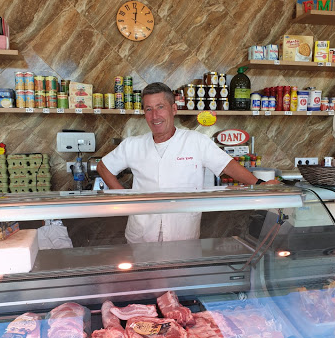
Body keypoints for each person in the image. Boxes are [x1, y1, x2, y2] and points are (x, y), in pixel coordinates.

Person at [97, 82, 279, 243]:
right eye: (148, 109)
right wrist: (124, 197)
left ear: (174, 109)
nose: (154, 116)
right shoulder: (132, 144)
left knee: (180, 279)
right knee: (144, 280)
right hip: (141, 234)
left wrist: (261, 185)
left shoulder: (196, 141)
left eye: (160, 107)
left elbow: (228, 166)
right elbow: (103, 167)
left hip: (182, 234)